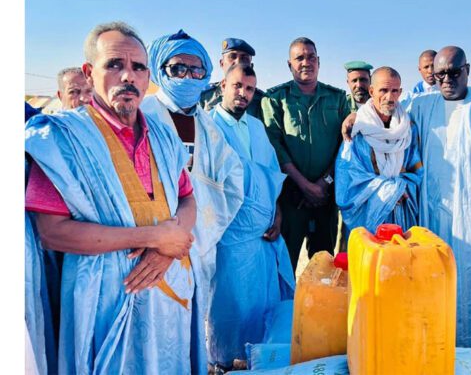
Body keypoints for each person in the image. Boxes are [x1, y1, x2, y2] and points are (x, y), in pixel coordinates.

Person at [25, 21, 202, 373]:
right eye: (114, 65)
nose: (127, 76)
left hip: (170, 298)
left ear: (148, 77)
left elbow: (188, 199)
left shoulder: (164, 137)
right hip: (102, 301)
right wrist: (154, 238)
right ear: (89, 73)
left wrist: (167, 248)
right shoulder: (62, 138)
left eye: (138, 67)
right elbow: (52, 233)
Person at [342, 46, 471, 351]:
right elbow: (385, 112)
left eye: (454, 72)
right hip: (433, 215)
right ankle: (437, 341)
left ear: (467, 70)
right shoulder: (422, 104)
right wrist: (357, 115)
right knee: (433, 275)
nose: (447, 79)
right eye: (440, 73)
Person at [139, 30, 245, 355]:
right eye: (178, 68)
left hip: (199, 243)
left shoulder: (208, 126)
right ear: (160, 71)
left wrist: (203, 226)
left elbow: (233, 181)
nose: (187, 76)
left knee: (191, 326)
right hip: (149, 244)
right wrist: (163, 236)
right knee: (153, 328)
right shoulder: (142, 115)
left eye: (196, 70)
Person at [206, 63, 295, 372]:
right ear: (223, 86)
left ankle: (258, 362)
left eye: (249, 89)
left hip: (263, 237)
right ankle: (223, 362)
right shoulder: (208, 126)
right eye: (237, 86)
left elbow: (271, 177)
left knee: (263, 303)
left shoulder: (257, 127)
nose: (243, 94)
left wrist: (277, 213)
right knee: (230, 305)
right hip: (229, 237)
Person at [262, 37, 351, 271]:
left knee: (324, 264)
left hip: (325, 197)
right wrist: (305, 185)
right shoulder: (275, 99)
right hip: (292, 197)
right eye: (299, 58)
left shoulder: (337, 98)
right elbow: (274, 145)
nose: (306, 62)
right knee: (285, 264)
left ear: (318, 61)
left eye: (311, 57)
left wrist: (324, 182)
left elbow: (345, 146)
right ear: (289, 64)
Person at [335, 66, 423, 237]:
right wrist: (391, 192)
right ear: (372, 91)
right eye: (383, 90)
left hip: (401, 211)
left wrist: (402, 189)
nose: (389, 97)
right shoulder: (357, 129)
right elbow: (348, 178)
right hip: (367, 214)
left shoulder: (408, 128)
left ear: (400, 92)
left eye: (394, 91)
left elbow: (417, 170)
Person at [199, 38, 265, 119]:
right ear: (222, 63)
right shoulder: (204, 96)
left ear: (251, 66)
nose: (238, 62)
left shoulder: (261, 100)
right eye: (232, 56)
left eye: (244, 58)